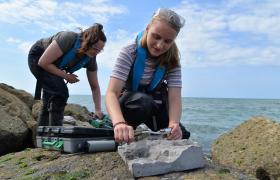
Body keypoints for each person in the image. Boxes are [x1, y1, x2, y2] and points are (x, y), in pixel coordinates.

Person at [106, 8, 190, 143]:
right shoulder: (129, 52)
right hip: (131, 103)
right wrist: (118, 122)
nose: (159, 45)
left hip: (154, 105)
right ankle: (125, 131)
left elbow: (174, 97)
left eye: (167, 41)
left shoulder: (172, 60)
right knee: (143, 102)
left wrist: (174, 123)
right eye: (156, 36)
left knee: (181, 134)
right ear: (147, 29)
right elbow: (112, 92)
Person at [28, 23, 106, 126]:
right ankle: (56, 131)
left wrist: (98, 109)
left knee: (49, 99)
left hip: (52, 66)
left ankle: (42, 134)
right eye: (95, 48)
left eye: (100, 50)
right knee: (61, 92)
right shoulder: (68, 38)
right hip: (38, 57)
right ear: (87, 41)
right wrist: (66, 76)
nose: (96, 52)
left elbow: (95, 86)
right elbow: (43, 62)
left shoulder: (90, 59)